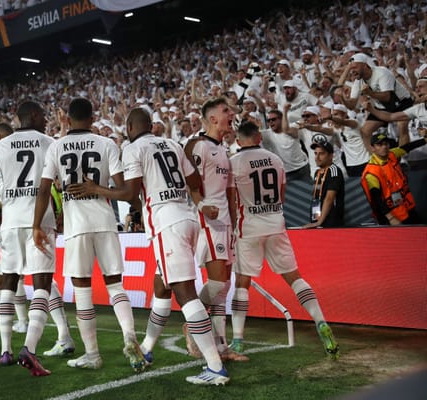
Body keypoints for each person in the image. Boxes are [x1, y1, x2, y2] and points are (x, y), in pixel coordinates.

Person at [66, 107, 230, 385]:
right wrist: (198, 202)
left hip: (167, 224)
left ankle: (215, 367)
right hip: (187, 218)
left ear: (130, 126)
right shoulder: (172, 144)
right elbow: (193, 180)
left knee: (185, 294)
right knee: (161, 287)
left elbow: (130, 194)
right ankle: (148, 349)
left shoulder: (133, 148)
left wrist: (97, 190)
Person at [33, 97, 146, 373]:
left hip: (76, 225)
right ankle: (130, 337)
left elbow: (45, 189)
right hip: (105, 221)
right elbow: (124, 192)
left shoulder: (56, 146)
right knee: (115, 286)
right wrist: (98, 189)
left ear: (68, 120)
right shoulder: (107, 144)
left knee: (82, 289)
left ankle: (93, 354)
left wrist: (37, 224)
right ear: (93, 119)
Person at [229, 121, 339, 360]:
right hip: (275, 223)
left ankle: (237, 341)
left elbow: (231, 200)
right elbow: (281, 195)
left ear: (238, 141)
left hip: (248, 226)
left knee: (242, 282)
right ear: (259, 138)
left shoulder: (234, 163)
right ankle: (320, 322)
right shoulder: (275, 159)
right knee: (294, 277)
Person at [0, 102, 56, 376]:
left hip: (10, 224)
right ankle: (29, 349)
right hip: (39, 223)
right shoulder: (49, 143)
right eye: (43, 115)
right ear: (33, 116)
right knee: (42, 284)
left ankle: (5, 350)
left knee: (8, 283)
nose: (46, 120)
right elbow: (52, 186)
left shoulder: (0, 147)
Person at [183, 97, 248, 362]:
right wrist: (201, 206)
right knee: (218, 282)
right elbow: (189, 181)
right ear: (212, 118)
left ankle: (221, 347)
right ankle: (193, 322)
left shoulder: (224, 151)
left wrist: (235, 225)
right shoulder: (199, 146)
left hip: (225, 225)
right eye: (225, 111)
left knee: (224, 287)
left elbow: (230, 193)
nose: (231, 114)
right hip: (208, 222)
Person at [348, 53, 414, 150]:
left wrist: (369, 93)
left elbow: (387, 97)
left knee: (402, 127)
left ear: (365, 65)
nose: (352, 71)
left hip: (402, 103)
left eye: (354, 67)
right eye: (350, 69)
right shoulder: (358, 81)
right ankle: (377, 160)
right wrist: (342, 98)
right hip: (382, 108)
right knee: (365, 131)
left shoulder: (382, 73)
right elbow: (351, 104)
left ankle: (402, 159)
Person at [360, 130, 426, 225]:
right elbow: (376, 200)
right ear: (373, 148)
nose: (384, 147)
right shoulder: (371, 172)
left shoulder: (391, 154)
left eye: (385, 144)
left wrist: (425, 140)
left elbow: (407, 147)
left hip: (405, 207)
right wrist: (391, 218)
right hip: (390, 215)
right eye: (379, 145)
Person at [302, 139, 345, 228]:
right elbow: (317, 197)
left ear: (330, 156)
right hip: (318, 218)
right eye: (315, 153)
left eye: (321, 154)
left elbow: (329, 198)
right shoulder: (317, 172)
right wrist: (316, 219)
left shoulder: (334, 171)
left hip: (331, 222)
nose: (317, 157)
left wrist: (319, 222)